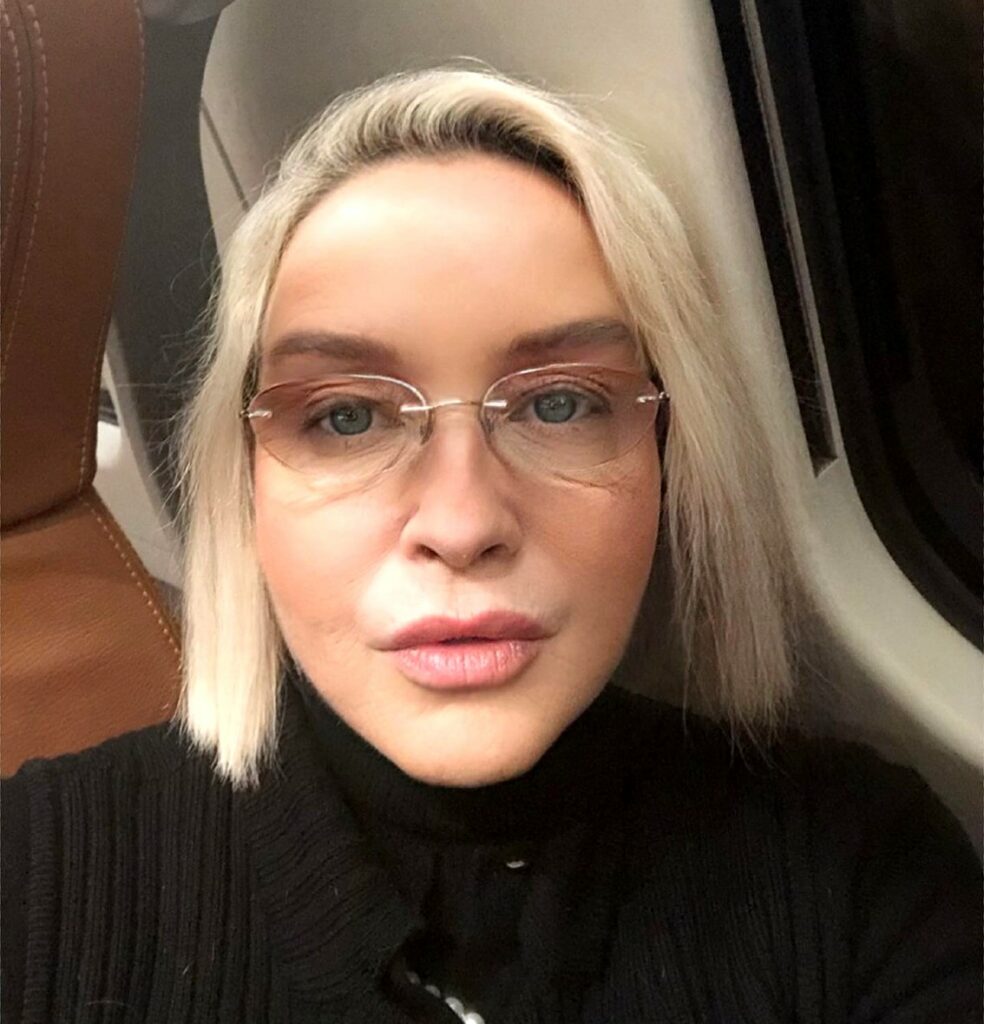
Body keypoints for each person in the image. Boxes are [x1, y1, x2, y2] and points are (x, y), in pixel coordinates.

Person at [2, 63, 980, 1024]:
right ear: (244, 480)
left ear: (668, 456)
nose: (463, 525)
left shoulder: (860, 883)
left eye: (560, 405)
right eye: (347, 417)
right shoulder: (35, 877)